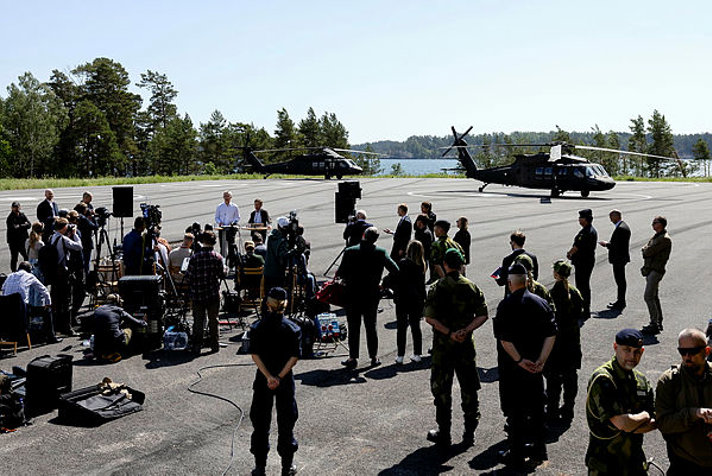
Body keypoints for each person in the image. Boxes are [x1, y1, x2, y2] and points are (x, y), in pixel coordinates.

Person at [494, 263, 557, 467]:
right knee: (537, 410)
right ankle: (540, 450)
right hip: (536, 369)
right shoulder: (541, 303)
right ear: (527, 281)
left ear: (510, 282)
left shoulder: (506, 305)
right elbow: (551, 334)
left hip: (513, 369)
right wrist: (541, 360)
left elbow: (505, 340)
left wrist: (520, 361)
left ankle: (517, 453)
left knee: (515, 412)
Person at [424, 249, 488, 447]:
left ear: (445, 264)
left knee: (442, 390)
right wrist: (465, 330)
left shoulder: (437, 287)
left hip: (443, 347)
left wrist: (449, 332)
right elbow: (482, 315)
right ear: (461, 265)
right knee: (469, 388)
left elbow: (429, 318)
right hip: (465, 346)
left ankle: (444, 432)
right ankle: (469, 433)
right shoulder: (471, 287)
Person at [585, 329, 656, 475]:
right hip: (605, 466)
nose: (632, 356)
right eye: (627, 350)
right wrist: (644, 416)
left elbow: (656, 421)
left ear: (642, 352)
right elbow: (622, 423)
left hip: (634, 464)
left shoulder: (641, 381)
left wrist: (631, 425)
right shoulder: (603, 379)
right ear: (616, 348)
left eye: (637, 351)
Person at [249, 287, 301, 476]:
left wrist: (268, 377)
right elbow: (294, 357)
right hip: (284, 380)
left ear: (268, 305)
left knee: (261, 422)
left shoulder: (257, 327)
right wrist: (279, 377)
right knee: (286, 422)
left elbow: (254, 354)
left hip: (264, 379)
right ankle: (286, 466)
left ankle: (260, 466)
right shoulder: (292, 329)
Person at [337, 227, 398, 368]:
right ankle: (374, 356)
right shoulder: (380, 252)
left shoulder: (350, 251)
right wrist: (383, 283)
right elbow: (395, 270)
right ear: (376, 239)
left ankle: (353, 358)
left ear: (363, 235)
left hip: (352, 293)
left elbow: (341, 272)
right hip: (371, 293)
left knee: (353, 327)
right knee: (371, 326)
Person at [655, 328, 712, 474]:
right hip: (685, 462)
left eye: (693, 352)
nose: (687, 357)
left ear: (707, 351)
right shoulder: (670, 381)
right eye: (682, 352)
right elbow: (663, 424)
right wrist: (693, 414)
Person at [545, 259, 584, 423]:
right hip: (572, 342)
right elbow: (580, 312)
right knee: (570, 377)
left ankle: (552, 410)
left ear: (556, 274)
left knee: (553, 379)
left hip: (556, 343)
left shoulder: (552, 294)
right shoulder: (575, 292)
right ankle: (569, 408)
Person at [185, 230, 226, 354]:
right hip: (213, 293)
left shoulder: (195, 257)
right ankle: (214, 344)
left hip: (198, 293)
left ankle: (197, 345)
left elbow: (188, 276)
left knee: (198, 320)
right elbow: (222, 275)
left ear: (202, 241)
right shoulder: (217, 257)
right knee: (214, 320)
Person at [2, 261, 60, 343]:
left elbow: (3, 291)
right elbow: (44, 291)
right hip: (22, 310)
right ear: (29, 270)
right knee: (47, 311)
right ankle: (51, 337)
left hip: (7, 312)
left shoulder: (9, 276)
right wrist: (48, 303)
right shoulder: (29, 276)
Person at [48, 218, 83, 336]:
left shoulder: (52, 237)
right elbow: (78, 247)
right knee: (66, 301)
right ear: (63, 227)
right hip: (63, 273)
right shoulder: (63, 239)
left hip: (54, 273)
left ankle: (56, 326)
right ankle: (67, 328)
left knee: (56, 301)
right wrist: (74, 235)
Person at [394, 240, 426, 364]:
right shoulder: (421, 265)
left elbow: (395, 278)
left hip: (402, 298)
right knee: (415, 327)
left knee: (401, 328)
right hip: (416, 299)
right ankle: (417, 353)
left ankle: (400, 355)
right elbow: (421, 285)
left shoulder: (403, 263)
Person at [641, 216, 672, 335]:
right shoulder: (656, 236)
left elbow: (648, 251)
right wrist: (645, 250)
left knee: (648, 296)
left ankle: (654, 323)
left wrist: (645, 250)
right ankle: (658, 321)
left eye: (655, 222)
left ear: (662, 224)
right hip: (650, 270)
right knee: (654, 296)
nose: (653, 224)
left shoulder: (664, 239)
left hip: (656, 270)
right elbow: (646, 248)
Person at [92, 294, 147, 361]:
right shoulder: (119, 310)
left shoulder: (98, 309)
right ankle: (128, 349)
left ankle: (105, 353)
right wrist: (144, 321)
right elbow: (137, 322)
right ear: (117, 302)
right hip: (116, 343)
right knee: (129, 328)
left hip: (99, 345)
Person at [598, 209, 631, 311]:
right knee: (620, 281)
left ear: (617, 216)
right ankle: (620, 300)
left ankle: (621, 302)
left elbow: (617, 246)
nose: (610, 219)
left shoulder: (621, 229)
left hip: (619, 258)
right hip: (620, 258)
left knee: (620, 281)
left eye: (611, 217)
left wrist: (606, 244)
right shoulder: (622, 226)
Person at [567, 209, 597, 316]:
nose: (579, 220)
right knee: (583, 285)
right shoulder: (589, 230)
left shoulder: (586, 232)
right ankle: (585, 308)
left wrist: (570, 253)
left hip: (583, 262)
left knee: (582, 286)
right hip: (585, 261)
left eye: (581, 218)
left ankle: (583, 309)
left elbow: (577, 247)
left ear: (586, 219)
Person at [495, 230, 539, 296]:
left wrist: (496, 277)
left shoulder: (507, 259)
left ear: (513, 243)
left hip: (512, 294)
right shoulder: (532, 257)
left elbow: (502, 282)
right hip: (529, 292)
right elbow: (535, 276)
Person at [264, 217, 291, 292]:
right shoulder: (281, 240)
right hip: (277, 272)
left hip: (268, 270)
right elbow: (282, 255)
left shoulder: (271, 237)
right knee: (277, 295)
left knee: (268, 294)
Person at [214, 190, 241, 259]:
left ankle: (231, 260)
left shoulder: (234, 206)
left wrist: (233, 222)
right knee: (222, 245)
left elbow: (237, 217)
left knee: (231, 245)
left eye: (228, 196)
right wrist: (220, 222)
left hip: (231, 228)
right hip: (222, 228)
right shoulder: (220, 206)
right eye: (225, 196)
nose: (226, 198)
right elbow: (216, 217)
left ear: (231, 197)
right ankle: (222, 259)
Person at [6, 201, 31, 272]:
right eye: (14, 207)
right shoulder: (10, 218)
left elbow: (29, 225)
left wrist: (20, 226)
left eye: (17, 207)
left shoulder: (22, 215)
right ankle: (13, 271)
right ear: (12, 208)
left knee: (26, 256)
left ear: (20, 207)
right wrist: (24, 225)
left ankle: (27, 269)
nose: (16, 208)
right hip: (14, 241)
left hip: (23, 240)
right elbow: (13, 228)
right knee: (14, 258)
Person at [74, 202, 98, 273]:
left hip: (77, 242)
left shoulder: (75, 216)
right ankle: (86, 278)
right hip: (86, 242)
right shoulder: (83, 218)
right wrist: (93, 218)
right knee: (86, 262)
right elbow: (95, 227)